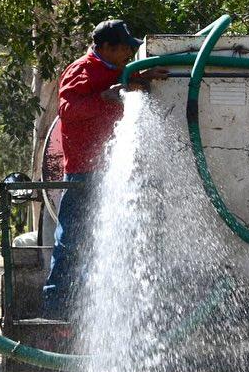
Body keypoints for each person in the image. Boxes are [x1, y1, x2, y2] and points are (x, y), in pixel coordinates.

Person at [41, 19, 167, 318]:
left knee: (115, 240)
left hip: (115, 173)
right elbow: (68, 110)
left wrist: (139, 78)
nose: (129, 54)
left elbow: (121, 83)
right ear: (107, 47)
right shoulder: (81, 70)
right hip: (84, 172)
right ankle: (55, 309)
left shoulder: (114, 69)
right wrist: (105, 97)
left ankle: (98, 308)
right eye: (125, 48)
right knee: (72, 242)